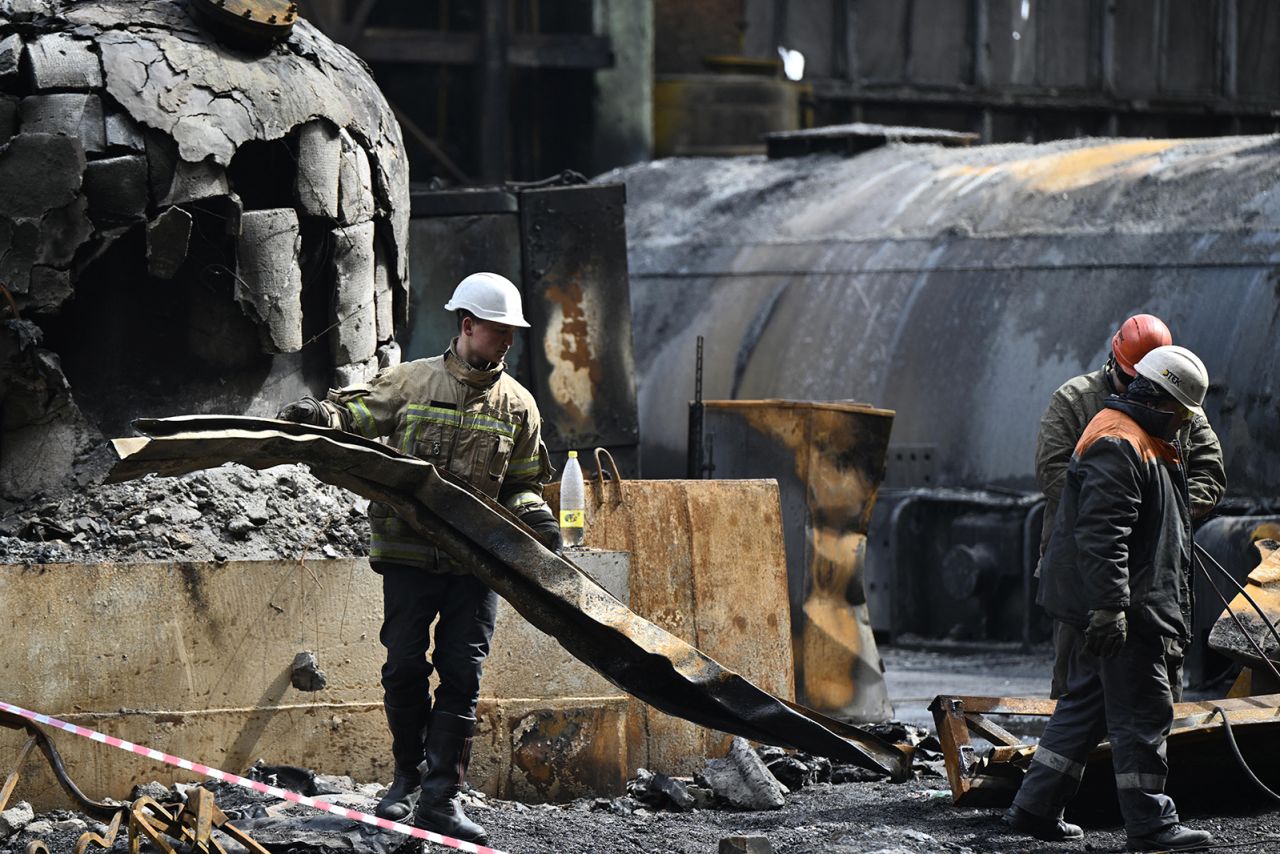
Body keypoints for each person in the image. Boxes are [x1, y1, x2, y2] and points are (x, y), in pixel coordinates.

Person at [277, 272, 559, 844]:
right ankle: (406, 779)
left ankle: (439, 800)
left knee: (462, 677)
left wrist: (535, 516)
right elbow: (354, 418)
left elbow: (524, 483)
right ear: (468, 325)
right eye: (497, 331)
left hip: (475, 567)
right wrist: (318, 419)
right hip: (407, 558)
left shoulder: (519, 406)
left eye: (512, 334)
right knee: (404, 667)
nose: (506, 342)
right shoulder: (409, 383)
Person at [1005, 345, 1214, 851]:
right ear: (1165, 403)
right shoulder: (1123, 442)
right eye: (1184, 414)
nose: (1186, 424)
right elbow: (1102, 534)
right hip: (1127, 608)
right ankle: (1151, 825)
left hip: (1118, 602)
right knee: (1144, 713)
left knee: (1083, 708)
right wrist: (1111, 608)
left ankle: (1034, 808)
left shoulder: (1138, 434)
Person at [1035, 314, 1225, 699]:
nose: (1142, 390)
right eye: (1132, 379)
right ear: (1113, 362)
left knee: (1157, 689)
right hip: (1084, 569)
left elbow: (1211, 475)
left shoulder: (1181, 409)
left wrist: (1163, 515)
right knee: (1080, 686)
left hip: (1156, 577)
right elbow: (1053, 471)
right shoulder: (1076, 402)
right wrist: (1122, 510)